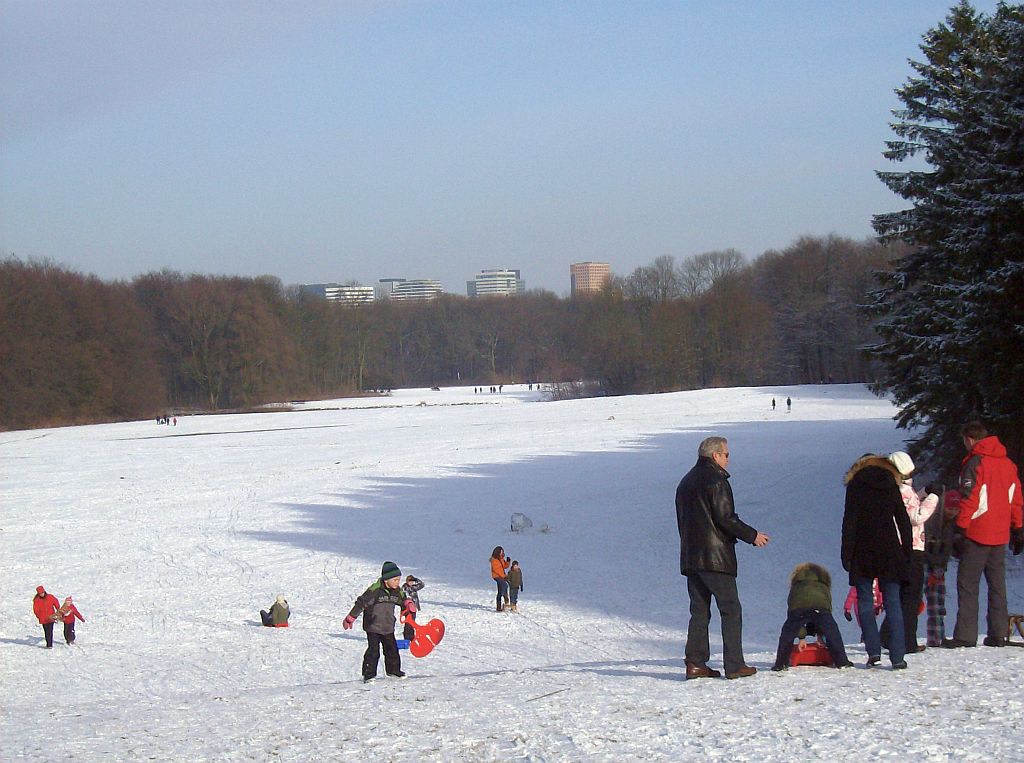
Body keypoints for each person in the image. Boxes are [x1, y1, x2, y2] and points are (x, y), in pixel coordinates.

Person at [676, 436, 770, 680]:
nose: (728, 459)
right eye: (726, 454)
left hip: (691, 557)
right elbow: (725, 518)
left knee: (699, 611)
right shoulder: (716, 480)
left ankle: (695, 663)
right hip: (716, 558)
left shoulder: (685, 482)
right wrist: (753, 536)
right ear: (715, 455)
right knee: (730, 609)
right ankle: (735, 664)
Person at [944, 421, 1023, 648]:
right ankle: (998, 633)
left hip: (977, 531)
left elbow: (970, 498)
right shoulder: (1008, 463)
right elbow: (1016, 497)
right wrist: (1018, 527)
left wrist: (960, 528)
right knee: (997, 584)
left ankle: (966, 635)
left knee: (968, 583)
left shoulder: (975, 463)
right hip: (1000, 532)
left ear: (969, 439)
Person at [841, 453, 913, 669]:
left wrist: (846, 553)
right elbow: (902, 518)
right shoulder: (890, 483)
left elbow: (849, 521)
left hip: (862, 550)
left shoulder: (855, 485)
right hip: (889, 549)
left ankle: (873, 652)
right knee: (893, 602)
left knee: (865, 602)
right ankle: (898, 655)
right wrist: (906, 550)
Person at [879, 451, 938, 654]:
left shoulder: (897, 489)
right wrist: (933, 498)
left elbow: (910, 504)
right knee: (911, 596)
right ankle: (907, 641)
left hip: (900, 547)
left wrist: (922, 493)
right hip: (911, 547)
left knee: (901, 595)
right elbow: (916, 516)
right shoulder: (902, 491)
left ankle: (888, 634)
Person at [771, 562, 853, 671]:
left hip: (798, 609)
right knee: (833, 632)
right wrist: (820, 633)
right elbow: (826, 607)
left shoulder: (796, 587)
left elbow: (793, 610)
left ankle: (781, 663)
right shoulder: (823, 585)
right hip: (820, 608)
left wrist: (801, 637)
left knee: (787, 634)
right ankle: (841, 661)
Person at [343, 561, 416, 682]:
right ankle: (369, 674)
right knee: (373, 650)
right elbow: (361, 603)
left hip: (388, 626)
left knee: (392, 649)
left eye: (399, 580)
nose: (398, 583)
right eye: (395, 580)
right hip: (373, 626)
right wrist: (350, 618)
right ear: (386, 580)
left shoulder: (397, 591)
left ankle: (393, 670)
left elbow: (403, 599)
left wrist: (408, 603)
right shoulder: (375, 591)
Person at [923, 487, 960, 646]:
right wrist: (934, 562)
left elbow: (948, 549)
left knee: (938, 604)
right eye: (950, 508)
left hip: (938, 567)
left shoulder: (951, 525)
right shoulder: (932, 520)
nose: (953, 512)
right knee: (915, 603)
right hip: (925, 563)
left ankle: (937, 637)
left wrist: (940, 565)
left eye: (956, 509)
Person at [401, 574, 424, 640]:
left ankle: (411, 637)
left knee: (412, 623)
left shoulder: (414, 587)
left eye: (412, 581)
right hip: (407, 608)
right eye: (409, 581)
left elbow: (422, 584)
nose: (411, 583)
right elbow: (403, 595)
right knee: (408, 623)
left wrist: (416, 579)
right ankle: (407, 637)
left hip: (413, 608)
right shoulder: (405, 587)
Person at [490, 546, 511, 612]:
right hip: (497, 576)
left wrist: (508, 562)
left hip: (501, 576)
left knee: (500, 591)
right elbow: (496, 570)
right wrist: (504, 576)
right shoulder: (494, 560)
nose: (502, 553)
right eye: (501, 552)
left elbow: (504, 567)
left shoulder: (501, 558)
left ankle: (499, 607)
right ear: (498, 552)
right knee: (505, 586)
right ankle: (506, 602)